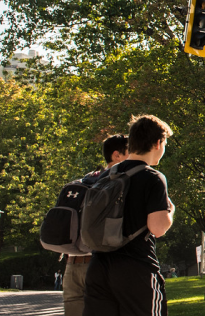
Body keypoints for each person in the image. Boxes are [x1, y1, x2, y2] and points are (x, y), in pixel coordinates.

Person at [83, 115, 175, 316]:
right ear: (157, 143)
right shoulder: (153, 178)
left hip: (99, 266)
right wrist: (171, 211)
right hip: (135, 267)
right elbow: (158, 228)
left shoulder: (107, 175)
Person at [64, 134, 127, 316]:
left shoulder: (84, 181)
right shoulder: (118, 185)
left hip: (71, 265)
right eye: (130, 151)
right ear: (117, 155)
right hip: (99, 263)